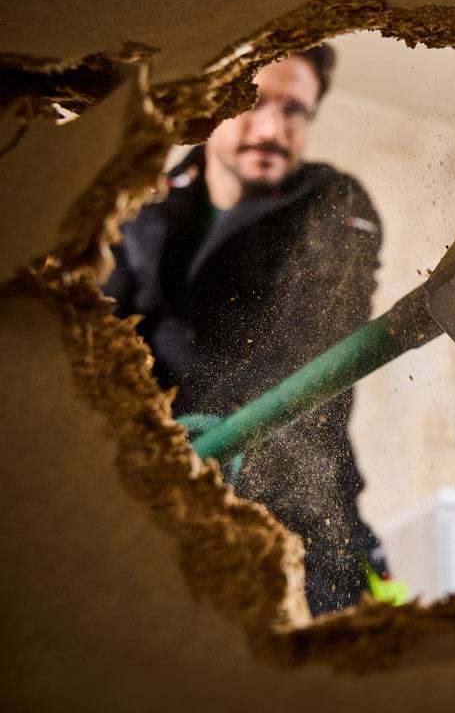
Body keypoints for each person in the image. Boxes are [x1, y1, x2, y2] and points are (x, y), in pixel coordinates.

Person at [103, 47, 390, 615]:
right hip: (162, 479)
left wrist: (230, 430)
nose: (271, 128)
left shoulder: (333, 201)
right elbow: (106, 334)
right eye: (253, 103)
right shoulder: (145, 203)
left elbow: (313, 336)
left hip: (301, 491)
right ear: (214, 107)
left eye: (294, 111)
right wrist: (146, 432)